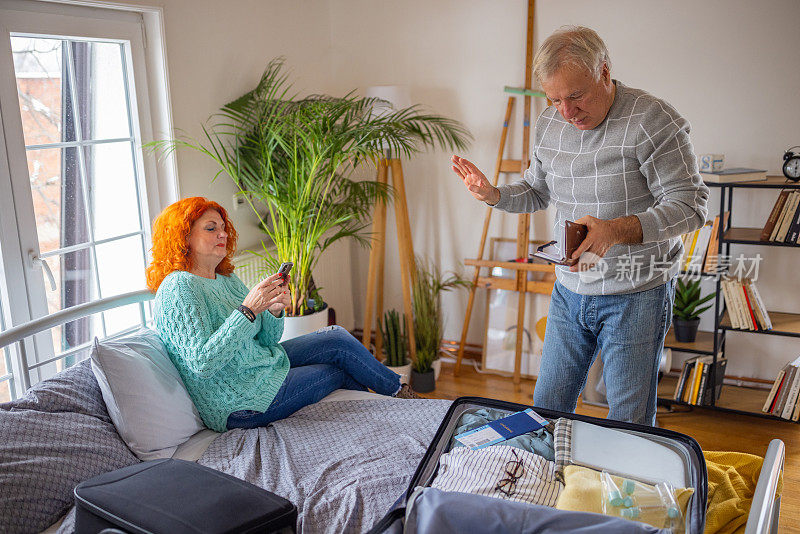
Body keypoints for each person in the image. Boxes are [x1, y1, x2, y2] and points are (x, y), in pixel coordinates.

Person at [451, 26, 709, 426]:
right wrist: (492, 195)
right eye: (554, 99)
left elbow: (691, 207)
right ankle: (552, 487)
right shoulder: (550, 125)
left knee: (628, 421)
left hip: (637, 293)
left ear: (604, 73)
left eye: (575, 96)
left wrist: (615, 230)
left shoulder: (654, 120)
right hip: (569, 292)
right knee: (547, 409)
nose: (566, 112)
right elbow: (537, 191)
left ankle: (621, 487)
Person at [146, 197, 419, 433]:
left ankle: (400, 395)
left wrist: (274, 311)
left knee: (335, 337)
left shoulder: (225, 278)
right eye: (210, 228)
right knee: (334, 371)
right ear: (183, 236)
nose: (223, 234)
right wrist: (248, 311)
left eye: (222, 228)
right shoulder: (178, 287)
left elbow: (267, 341)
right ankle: (391, 420)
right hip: (239, 403)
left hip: (260, 367)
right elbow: (202, 364)